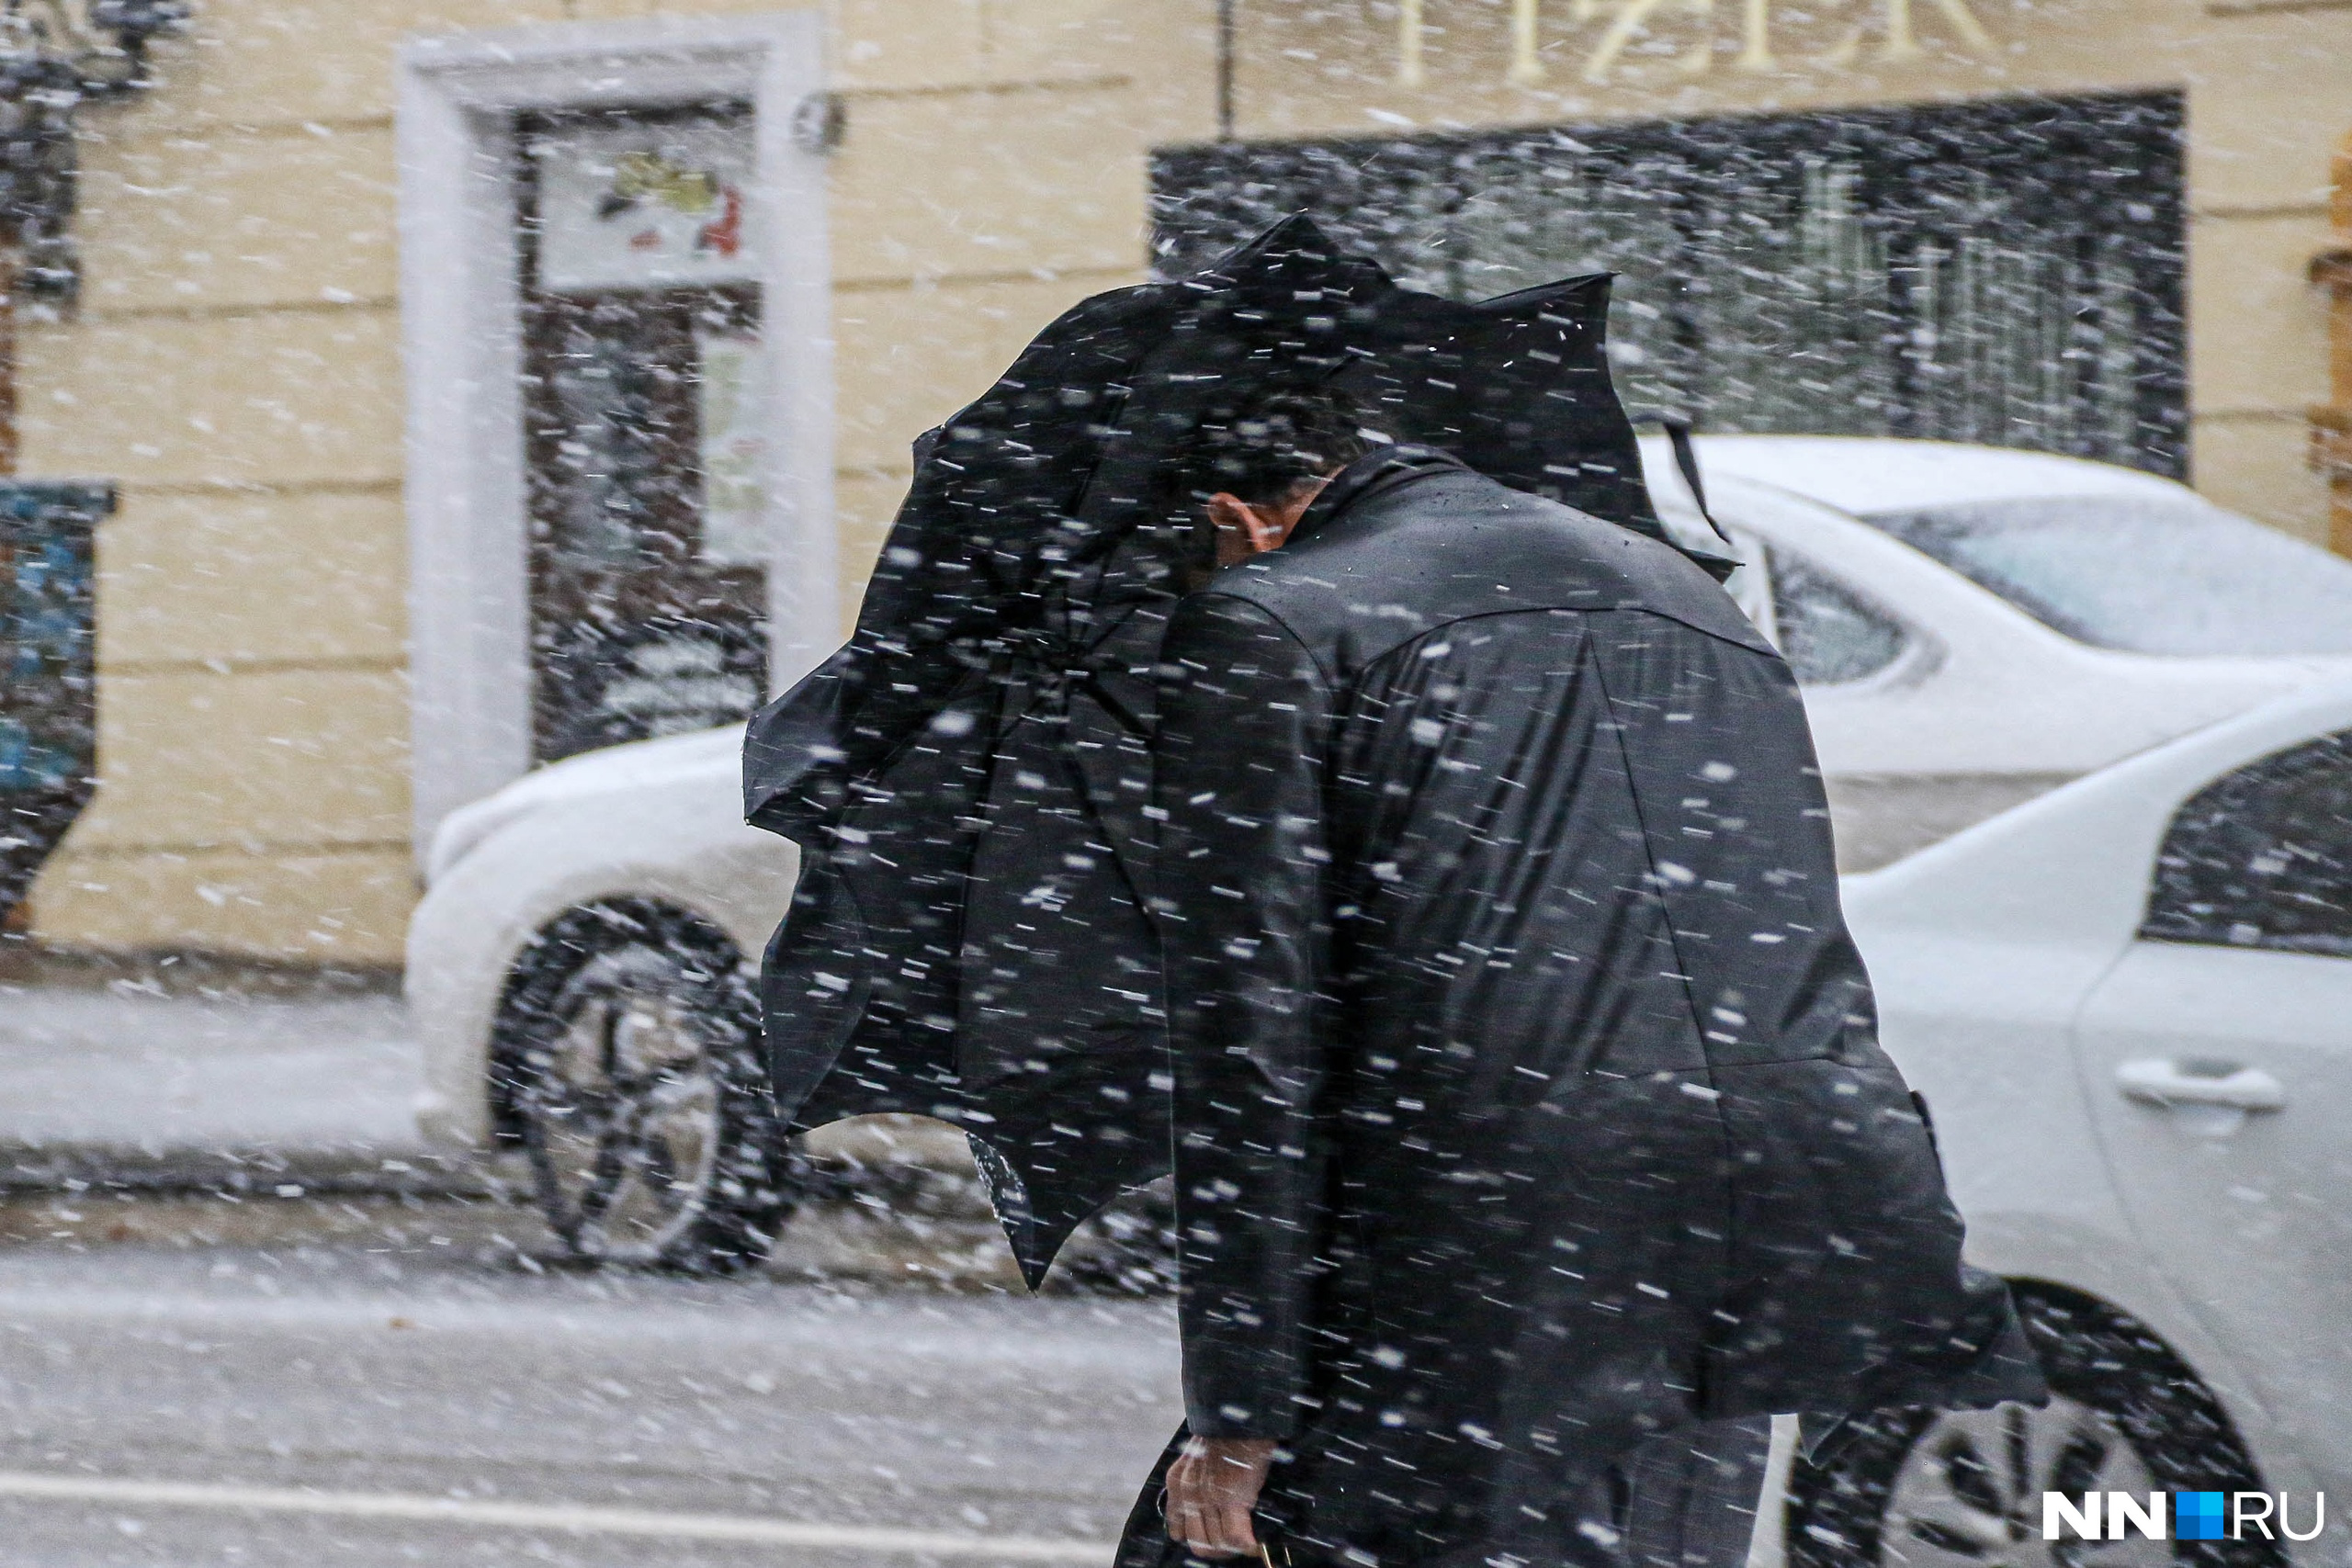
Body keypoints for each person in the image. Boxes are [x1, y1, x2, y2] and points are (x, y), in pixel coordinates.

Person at [1132, 386, 2031, 1568]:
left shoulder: (1270, 617)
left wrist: (1239, 1409)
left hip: (1496, 1219)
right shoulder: (1681, 589)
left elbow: (1251, 1044)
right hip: (1777, 1182)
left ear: (1235, 519)